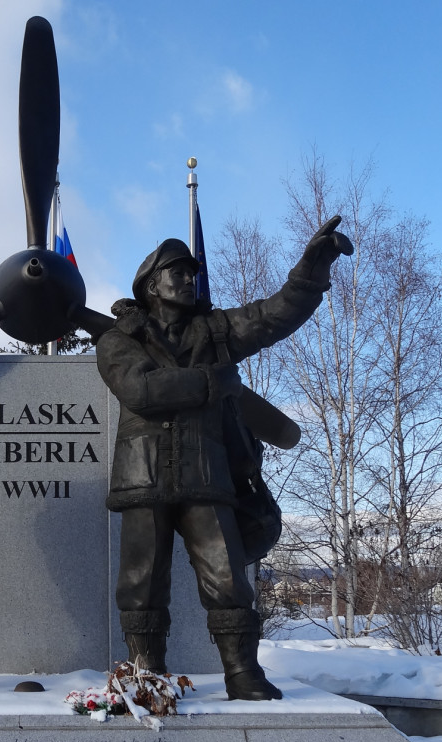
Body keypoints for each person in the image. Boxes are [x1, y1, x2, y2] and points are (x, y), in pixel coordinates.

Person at [96, 216, 352, 700]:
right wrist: (216, 383)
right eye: (179, 272)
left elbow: (273, 315)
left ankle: (242, 672)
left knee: (227, 576)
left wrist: (310, 272)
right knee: (140, 581)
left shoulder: (217, 330)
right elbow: (140, 390)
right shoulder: (118, 340)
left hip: (207, 474)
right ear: (152, 285)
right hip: (141, 476)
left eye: (192, 273)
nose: (190, 279)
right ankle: (146, 674)